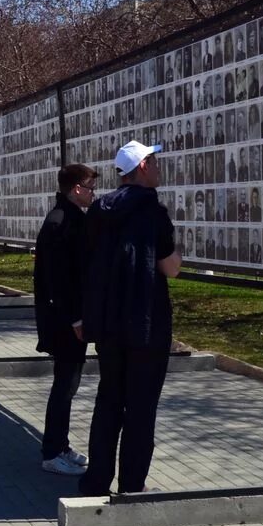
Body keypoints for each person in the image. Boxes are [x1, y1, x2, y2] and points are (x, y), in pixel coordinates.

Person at [78, 141, 180, 497]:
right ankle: (132, 486)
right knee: (140, 407)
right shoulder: (153, 211)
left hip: (108, 323)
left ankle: (95, 482)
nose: (157, 167)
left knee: (109, 401)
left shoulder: (98, 211)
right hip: (145, 323)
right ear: (141, 168)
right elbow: (171, 267)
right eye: (153, 161)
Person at [33, 165, 98, 477]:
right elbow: (59, 279)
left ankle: (60, 444)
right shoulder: (61, 222)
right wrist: (75, 318)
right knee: (64, 384)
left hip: (68, 318)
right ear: (75, 188)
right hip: (63, 321)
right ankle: (51, 452)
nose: (92, 192)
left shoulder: (71, 219)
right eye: (89, 187)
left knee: (68, 384)